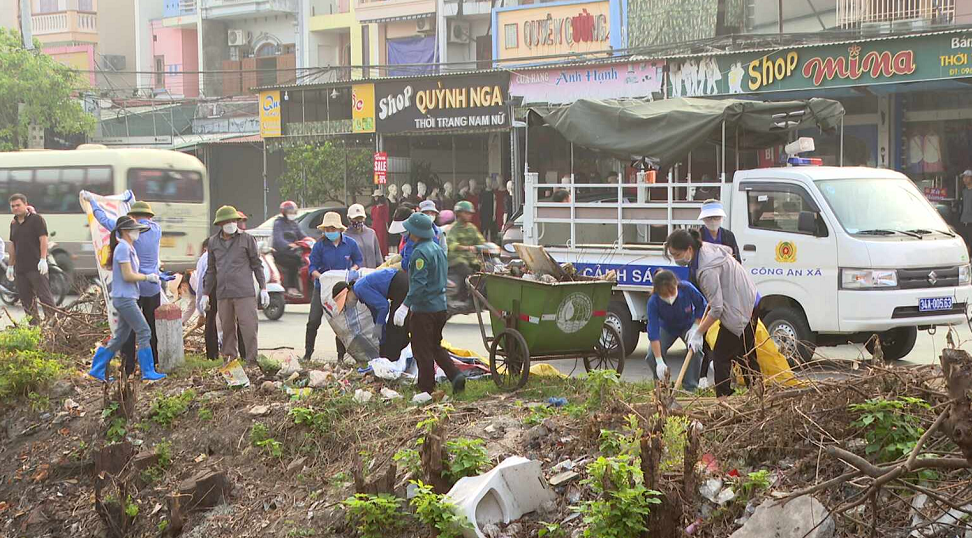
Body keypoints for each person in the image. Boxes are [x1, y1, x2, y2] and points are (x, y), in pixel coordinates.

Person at [665, 229, 760, 399]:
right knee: (745, 353)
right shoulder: (704, 249)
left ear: (689, 249)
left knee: (721, 357)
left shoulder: (705, 268)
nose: (676, 259)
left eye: (677, 254)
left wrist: (699, 332)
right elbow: (714, 297)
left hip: (740, 308)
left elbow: (717, 309)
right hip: (749, 300)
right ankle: (758, 393)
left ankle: (724, 400)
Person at [84, 193, 167, 375]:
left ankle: (109, 369)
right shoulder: (148, 233)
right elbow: (129, 275)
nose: (139, 230)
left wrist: (93, 203)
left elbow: (103, 219)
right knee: (146, 330)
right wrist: (150, 277)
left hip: (132, 294)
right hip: (135, 293)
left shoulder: (126, 242)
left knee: (124, 336)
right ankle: (149, 369)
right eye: (136, 228)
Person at [392, 213, 465, 393]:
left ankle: (426, 388)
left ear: (415, 233)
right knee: (435, 346)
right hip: (440, 306)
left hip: (424, 310)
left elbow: (418, 286)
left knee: (421, 349)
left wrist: (404, 306)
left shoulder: (419, 253)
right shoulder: (437, 248)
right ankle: (456, 375)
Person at [202, 205, 268, 364]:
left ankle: (251, 361)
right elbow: (211, 270)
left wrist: (263, 287)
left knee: (249, 328)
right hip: (223, 293)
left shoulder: (247, 239)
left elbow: (257, 264)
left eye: (233, 220)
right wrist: (205, 293)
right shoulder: (213, 243)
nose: (231, 224)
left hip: (244, 292)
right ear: (220, 224)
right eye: (227, 221)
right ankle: (230, 361)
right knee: (227, 329)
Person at [305, 211, 362, 362]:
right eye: (327, 229)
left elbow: (358, 261)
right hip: (321, 288)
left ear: (340, 230)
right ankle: (308, 353)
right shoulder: (319, 246)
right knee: (313, 320)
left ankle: (340, 356)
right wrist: (321, 277)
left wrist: (352, 271)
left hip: (342, 289)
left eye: (333, 229)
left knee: (340, 323)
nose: (330, 232)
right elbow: (312, 267)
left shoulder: (350, 244)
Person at [646, 270, 707, 391]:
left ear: (676, 284)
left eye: (672, 291)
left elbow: (702, 306)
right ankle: (662, 387)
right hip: (667, 327)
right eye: (665, 294)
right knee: (651, 356)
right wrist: (659, 361)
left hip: (688, 325)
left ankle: (690, 388)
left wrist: (696, 328)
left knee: (696, 349)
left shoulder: (687, 288)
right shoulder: (653, 302)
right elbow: (653, 332)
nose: (669, 296)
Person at [331, 267, 409, 362]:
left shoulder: (360, 289)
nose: (347, 305)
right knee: (396, 329)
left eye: (345, 302)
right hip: (399, 285)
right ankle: (396, 359)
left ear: (347, 293)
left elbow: (384, 306)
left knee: (394, 328)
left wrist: (379, 325)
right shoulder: (361, 293)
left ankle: (391, 363)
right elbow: (376, 313)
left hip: (400, 284)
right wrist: (381, 338)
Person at [7, 194, 55, 325]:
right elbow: (13, 244)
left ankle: (54, 327)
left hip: (36, 266)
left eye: (18, 205)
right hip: (21, 269)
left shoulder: (37, 219)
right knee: (27, 301)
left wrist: (43, 259)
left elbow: (43, 239)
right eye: (13, 206)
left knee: (45, 297)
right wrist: (11, 266)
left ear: (25, 204)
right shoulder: (14, 223)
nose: (15, 208)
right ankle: (35, 328)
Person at [447, 201, 487, 303]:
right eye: (466, 213)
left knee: (483, 271)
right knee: (467, 271)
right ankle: (465, 298)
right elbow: (451, 245)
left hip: (471, 258)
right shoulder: (453, 228)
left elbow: (481, 241)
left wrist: (488, 247)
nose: (469, 215)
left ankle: (479, 297)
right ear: (459, 213)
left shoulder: (472, 228)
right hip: (456, 258)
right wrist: (467, 248)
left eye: (470, 213)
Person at [273, 200, 305, 296]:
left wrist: (310, 240)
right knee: (294, 262)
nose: (292, 214)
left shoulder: (294, 223)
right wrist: (289, 244)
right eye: (289, 212)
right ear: (284, 212)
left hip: (293, 252)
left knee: (304, 260)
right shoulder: (278, 223)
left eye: (293, 212)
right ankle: (291, 288)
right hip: (281, 253)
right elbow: (278, 240)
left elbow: (302, 235)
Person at [345, 203, 383, 269]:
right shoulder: (345, 236)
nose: (358, 221)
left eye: (361, 218)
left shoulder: (371, 233)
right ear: (349, 219)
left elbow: (378, 256)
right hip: (355, 275)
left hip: (372, 274)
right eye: (355, 218)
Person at [958, 170, 972, 253]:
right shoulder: (963, 191)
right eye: (964, 177)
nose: (965, 179)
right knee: (966, 242)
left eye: (967, 177)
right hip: (964, 220)